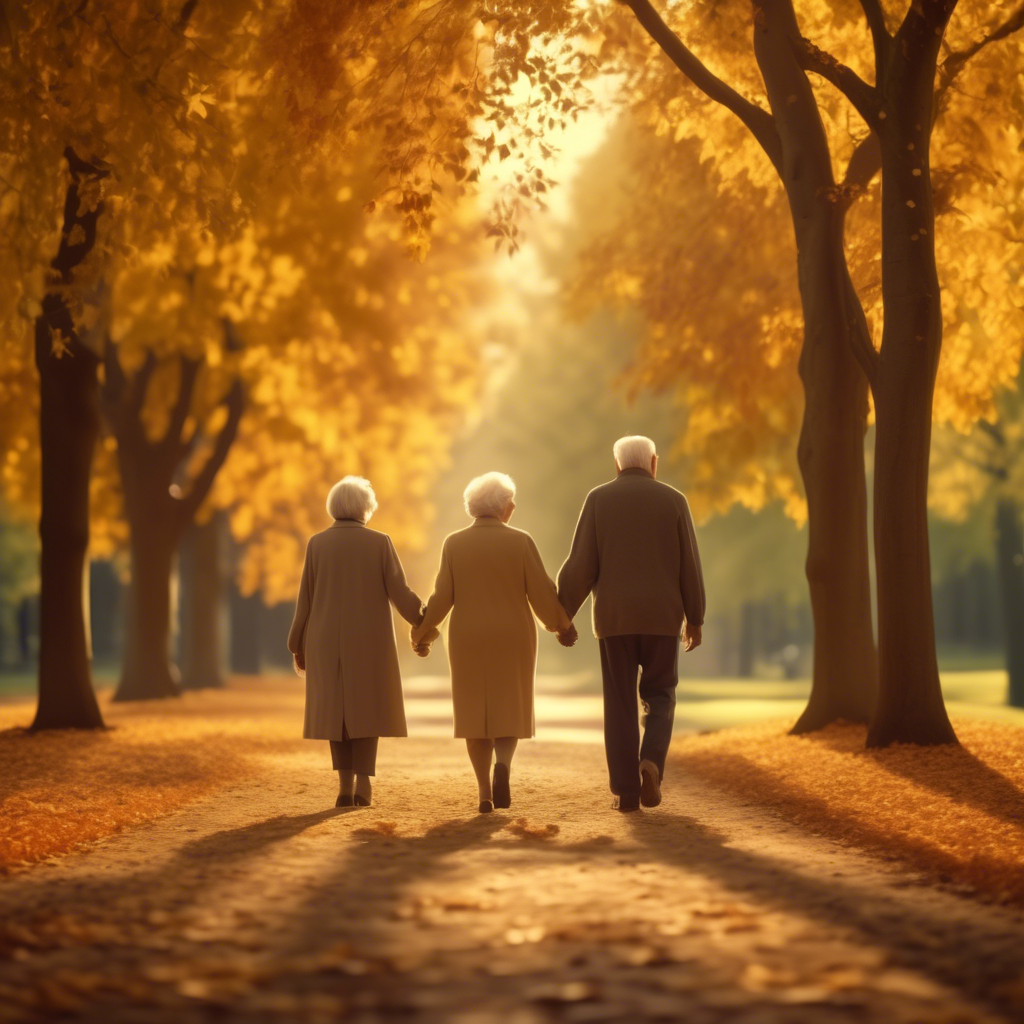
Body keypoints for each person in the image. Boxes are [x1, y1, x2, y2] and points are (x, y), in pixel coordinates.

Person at [411, 472, 577, 813]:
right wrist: (561, 625)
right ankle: (503, 765)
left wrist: (423, 634)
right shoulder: (520, 541)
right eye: (510, 500)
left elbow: (441, 596)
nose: (513, 506)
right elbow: (541, 591)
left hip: (467, 638)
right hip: (512, 635)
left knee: (475, 714)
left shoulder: (454, 543)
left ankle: (484, 792)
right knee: (509, 706)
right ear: (502, 507)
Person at [557, 436, 705, 812]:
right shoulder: (674, 500)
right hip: (662, 617)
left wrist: (563, 614)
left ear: (617, 465)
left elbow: (581, 564)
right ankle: (651, 761)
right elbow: (689, 563)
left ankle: (626, 792)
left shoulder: (598, 499)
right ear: (654, 463)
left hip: (615, 618)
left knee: (620, 702)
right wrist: (695, 617)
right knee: (661, 694)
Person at [287, 475, 426, 808]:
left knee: (337, 716)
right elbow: (399, 592)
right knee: (366, 710)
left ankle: (344, 787)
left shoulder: (317, 544)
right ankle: (364, 784)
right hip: (368, 640)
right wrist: (424, 619)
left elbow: (305, 599)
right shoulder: (380, 542)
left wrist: (297, 644)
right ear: (366, 507)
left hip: (324, 639)